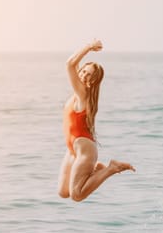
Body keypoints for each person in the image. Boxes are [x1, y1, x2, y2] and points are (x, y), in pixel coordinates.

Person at [58, 40, 135, 202]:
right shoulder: (76, 92)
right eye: (84, 71)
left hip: (85, 150)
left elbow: (69, 64)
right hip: (72, 149)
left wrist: (89, 47)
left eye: (89, 74)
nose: (84, 74)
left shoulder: (83, 93)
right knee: (64, 192)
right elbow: (74, 65)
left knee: (77, 195)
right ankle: (96, 170)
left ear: (92, 81)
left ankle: (111, 168)